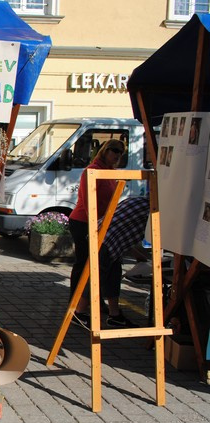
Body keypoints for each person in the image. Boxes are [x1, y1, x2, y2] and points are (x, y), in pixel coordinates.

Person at [69, 139, 126, 329]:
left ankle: (95, 303)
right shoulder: (92, 170)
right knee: (84, 264)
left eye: (121, 152)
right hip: (84, 222)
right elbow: (88, 202)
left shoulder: (110, 172)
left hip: (101, 223)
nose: (117, 155)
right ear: (105, 150)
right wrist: (95, 226)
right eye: (114, 150)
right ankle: (75, 305)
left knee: (101, 265)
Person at [98, 196, 150, 328]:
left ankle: (114, 315)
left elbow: (124, 231)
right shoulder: (149, 211)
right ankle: (79, 312)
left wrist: (137, 255)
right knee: (96, 280)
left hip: (106, 241)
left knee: (113, 278)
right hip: (105, 243)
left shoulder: (136, 201)